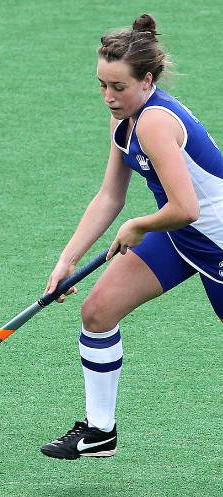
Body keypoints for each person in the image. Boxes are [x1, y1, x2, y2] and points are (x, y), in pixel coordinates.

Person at [40, 14, 222, 459]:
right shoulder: (124, 118)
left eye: (118, 87)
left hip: (214, 242)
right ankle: (100, 432)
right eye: (102, 85)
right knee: (98, 311)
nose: (108, 96)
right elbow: (110, 196)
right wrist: (67, 258)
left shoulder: (155, 122)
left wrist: (138, 226)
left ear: (147, 81)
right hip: (180, 237)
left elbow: (187, 207)